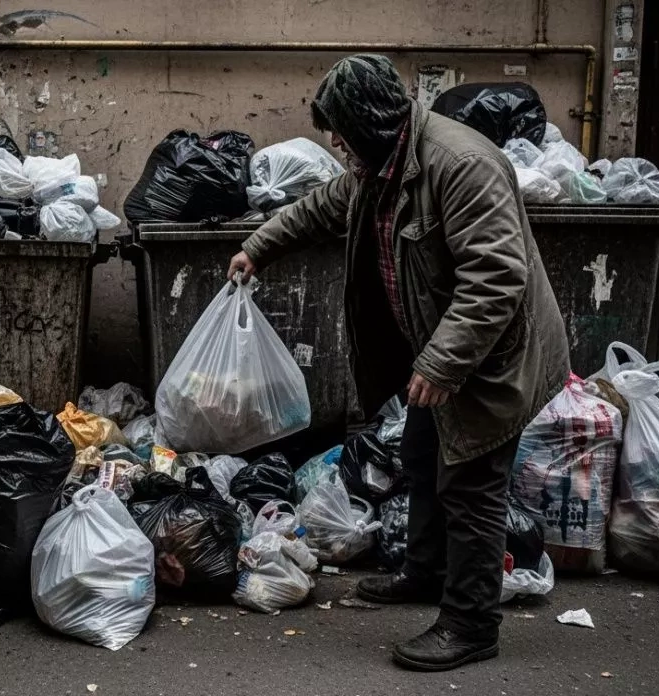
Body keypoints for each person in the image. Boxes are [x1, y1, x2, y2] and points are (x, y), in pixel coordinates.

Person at [227, 55, 569, 671]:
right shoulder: (378, 163)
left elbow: (495, 282)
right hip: (444, 346)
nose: (333, 141)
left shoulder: (461, 165)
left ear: (371, 124)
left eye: (339, 127)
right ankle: (426, 572)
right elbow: (324, 207)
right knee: (420, 454)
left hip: (491, 358)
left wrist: (441, 365)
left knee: (470, 484)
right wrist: (259, 246)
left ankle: (471, 624)